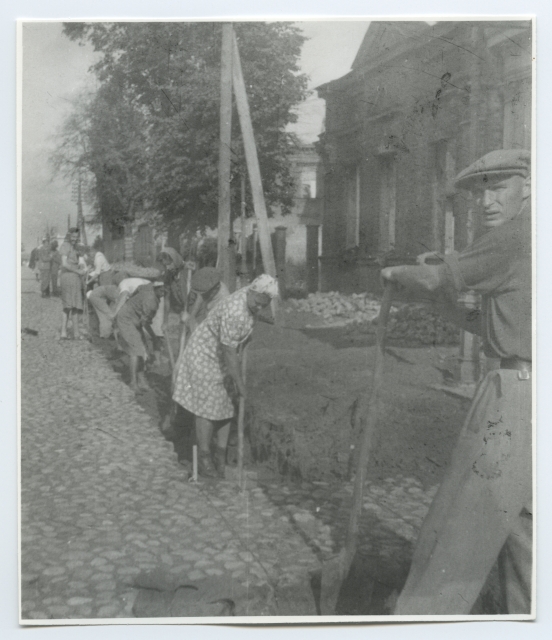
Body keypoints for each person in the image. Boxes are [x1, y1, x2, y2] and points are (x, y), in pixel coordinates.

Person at [381, 149, 532, 615]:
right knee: (526, 530)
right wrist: (436, 293)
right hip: (527, 380)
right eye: (479, 192)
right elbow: (492, 325)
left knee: (464, 525)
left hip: (518, 395)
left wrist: (397, 273)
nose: (486, 201)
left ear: (527, 187)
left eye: (498, 188)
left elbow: (435, 279)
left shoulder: (517, 235)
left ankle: (422, 621)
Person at [173, 274, 279, 479]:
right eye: (257, 304)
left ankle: (220, 456)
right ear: (251, 292)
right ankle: (204, 458)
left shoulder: (253, 296)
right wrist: (240, 383)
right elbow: (229, 351)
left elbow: (246, 327)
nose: (259, 308)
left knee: (226, 405)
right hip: (204, 354)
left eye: (263, 306)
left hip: (223, 357)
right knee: (207, 408)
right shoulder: (235, 311)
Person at [116, 281, 165, 393]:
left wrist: (131, 301)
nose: (163, 294)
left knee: (143, 348)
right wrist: (154, 336)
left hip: (133, 318)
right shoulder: (151, 302)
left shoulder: (147, 287)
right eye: (161, 291)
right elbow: (144, 323)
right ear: (156, 288)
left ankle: (142, 381)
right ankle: (133, 383)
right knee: (137, 350)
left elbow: (138, 288)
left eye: (165, 292)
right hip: (126, 319)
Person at [59, 228, 87, 340]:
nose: (75, 239)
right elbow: (64, 264)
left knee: (76, 305)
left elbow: (76, 261)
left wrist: (79, 267)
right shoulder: (65, 245)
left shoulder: (75, 247)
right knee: (67, 306)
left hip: (75, 278)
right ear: (69, 236)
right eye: (73, 237)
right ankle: (63, 332)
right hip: (67, 277)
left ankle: (76, 332)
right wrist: (77, 270)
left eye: (76, 237)